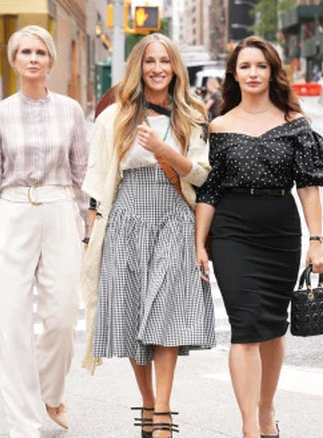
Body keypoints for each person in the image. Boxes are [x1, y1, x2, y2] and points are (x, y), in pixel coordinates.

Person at [194, 36, 323, 438]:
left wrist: (316, 240)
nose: (253, 73)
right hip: (232, 230)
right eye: (245, 66)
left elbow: (308, 186)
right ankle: (249, 427)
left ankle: (267, 407)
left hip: (280, 229)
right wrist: (198, 243)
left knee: (273, 327)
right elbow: (209, 190)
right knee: (245, 325)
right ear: (234, 74)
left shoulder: (295, 124)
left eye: (260, 66)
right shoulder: (218, 126)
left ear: (272, 72)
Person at [81, 33, 215, 438]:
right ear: (138, 67)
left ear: (175, 67)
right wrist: (91, 239)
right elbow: (97, 179)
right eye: (149, 61)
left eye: (165, 61)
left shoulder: (191, 112)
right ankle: (146, 403)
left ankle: (163, 413)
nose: (157, 68)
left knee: (166, 312)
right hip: (125, 217)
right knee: (133, 314)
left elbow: (201, 174)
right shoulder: (115, 115)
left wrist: (162, 147)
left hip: (174, 215)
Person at [0, 25, 88, 438]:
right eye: (25, 52)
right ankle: (23, 424)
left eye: (40, 52)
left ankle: (51, 394)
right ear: (14, 60)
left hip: (59, 209)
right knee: (13, 322)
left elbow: (81, 173)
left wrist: (90, 228)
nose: (33, 58)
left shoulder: (71, 110)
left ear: (51, 60)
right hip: (11, 212)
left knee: (62, 315)